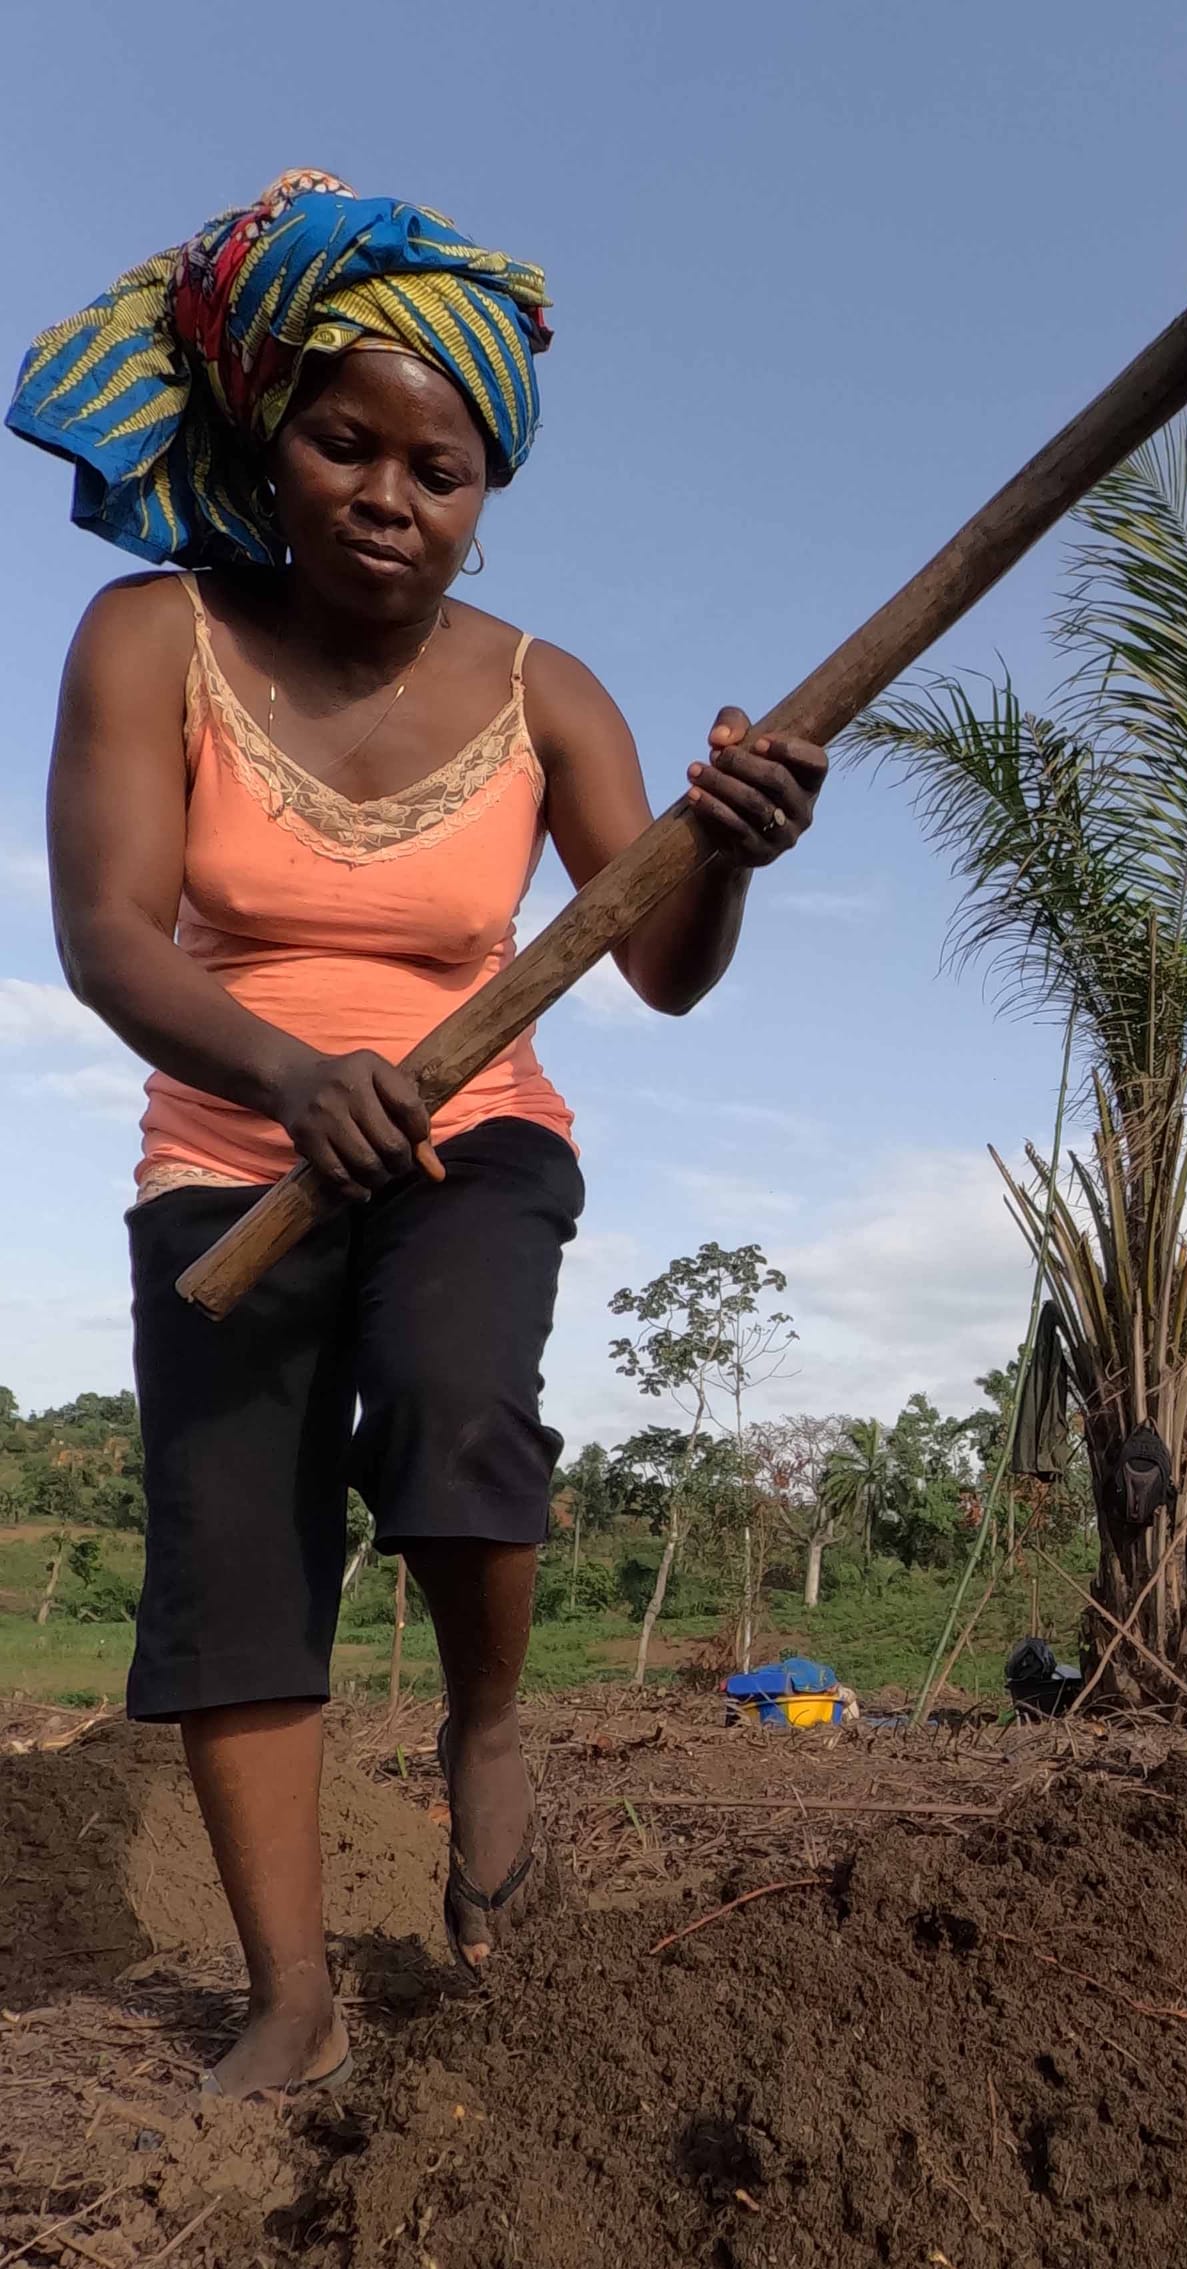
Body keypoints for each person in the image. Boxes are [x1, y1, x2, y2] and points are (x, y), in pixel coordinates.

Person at [10, 172, 828, 2098]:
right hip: (229, 1156)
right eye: (343, 441)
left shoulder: (553, 692)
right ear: (269, 439)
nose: (388, 493)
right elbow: (106, 933)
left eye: (436, 467)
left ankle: (485, 1727)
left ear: (488, 490)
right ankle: (290, 1989)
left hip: (478, 1138)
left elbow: (667, 970)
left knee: (458, 1406)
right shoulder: (149, 639)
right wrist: (296, 1080)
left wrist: (731, 853)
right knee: (233, 1553)